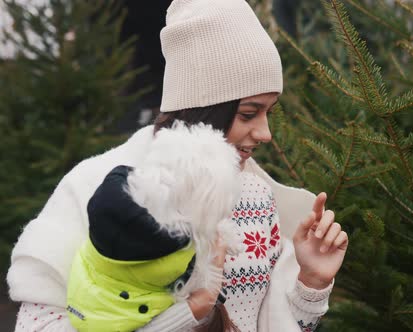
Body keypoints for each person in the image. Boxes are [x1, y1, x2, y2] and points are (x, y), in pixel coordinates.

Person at [7, 0, 349, 332]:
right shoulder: (97, 190)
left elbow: (266, 323)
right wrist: (189, 312)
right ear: (201, 108)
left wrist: (311, 282)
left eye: (268, 112)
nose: (265, 133)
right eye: (248, 113)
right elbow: (38, 325)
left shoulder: (257, 197)